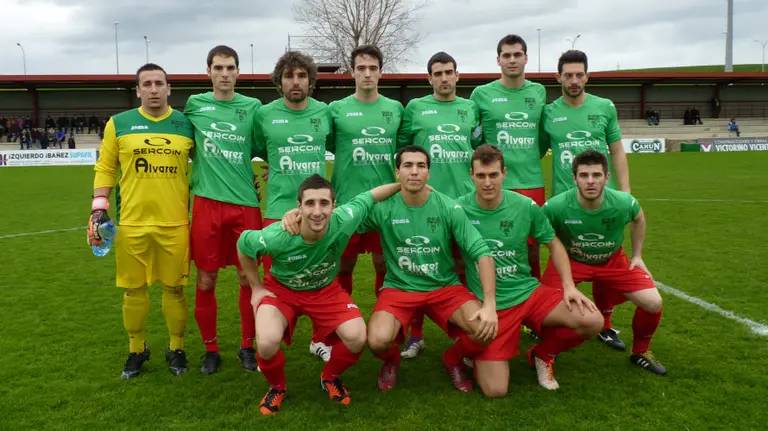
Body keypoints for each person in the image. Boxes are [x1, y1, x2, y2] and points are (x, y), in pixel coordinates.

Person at [237, 175, 402, 414]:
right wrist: (256, 288)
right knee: (266, 342)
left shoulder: (344, 218)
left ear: (334, 206)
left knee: (357, 337)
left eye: (324, 203)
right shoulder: (279, 235)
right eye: (310, 203)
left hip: (325, 289)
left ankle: (330, 377)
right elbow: (244, 244)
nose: (317, 211)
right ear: (299, 207)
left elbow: (372, 195)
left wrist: (405, 183)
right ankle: (277, 388)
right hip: (283, 290)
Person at [458, 144, 602, 394]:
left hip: (527, 293)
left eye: (493, 175)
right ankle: (474, 350)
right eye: (481, 176)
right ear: (471, 175)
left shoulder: (525, 206)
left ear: (504, 173)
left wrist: (568, 286)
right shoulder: (458, 209)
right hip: (491, 305)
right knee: (495, 390)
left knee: (591, 320)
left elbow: (554, 244)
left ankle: (542, 354)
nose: (488, 182)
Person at [89, 63, 195, 379]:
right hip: (132, 224)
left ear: (168, 88)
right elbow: (106, 167)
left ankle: (176, 348)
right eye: (146, 84)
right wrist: (98, 208)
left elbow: (208, 165)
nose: (153, 89)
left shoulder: (185, 124)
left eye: (158, 83)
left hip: (175, 224)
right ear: (137, 90)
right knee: (133, 291)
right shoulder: (119, 124)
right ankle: (137, 349)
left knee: (175, 290)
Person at [363, 145, 498, 393]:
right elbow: (340, 218)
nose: (414, 172)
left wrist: (489, 304)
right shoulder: (384, 208)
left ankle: (452, 360)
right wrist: (299, 215)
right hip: (400, 288)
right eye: (408, 166)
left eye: (421, 166)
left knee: (485, 329)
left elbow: (482, 252)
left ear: (429, 173)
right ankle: (391, 361)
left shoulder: (448, 207)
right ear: (397, 172)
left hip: (444, 287)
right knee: (377, 341)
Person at [541, 150, 666, 375]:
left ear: (607, 178)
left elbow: (639, 219)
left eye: (597, 175)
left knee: (653, 302)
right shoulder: (556, 206)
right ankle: (547, 350)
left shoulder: (623, 202)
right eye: (584, 175)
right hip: (572, 262)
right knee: (543, 308)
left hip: (612, 261)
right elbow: (538, 231)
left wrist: (637, 255)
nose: (590, 181)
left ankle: (640, 351)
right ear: (574, 178)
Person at [184, 45, 264, 375]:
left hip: (245, 205)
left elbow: (265, 146)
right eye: (218, 68)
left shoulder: (253, 108)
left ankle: (248, 346)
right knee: (205, 280)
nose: (225, 74)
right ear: (208, 72)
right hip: (207, 204)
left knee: (249, 278)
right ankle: (211, 349)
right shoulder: (195, 105)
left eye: (231, 68)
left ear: (239, 73)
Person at [396, 51, 481, 359]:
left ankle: (466, 333)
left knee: (462, 266)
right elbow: (402, 150)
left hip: (462, 203)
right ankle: (415, 336)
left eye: (449, 72)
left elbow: (478, 147)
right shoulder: (415, 108)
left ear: (457, 75)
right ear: (429, 78)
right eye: (438, 73)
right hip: (424, 203)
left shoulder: (471, 108)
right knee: (418, 268)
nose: (445, 78)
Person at [253, 50, 333, 361]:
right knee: (277, 282)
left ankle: (319, 339)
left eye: (301, 75)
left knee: (320, 277)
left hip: (316, 211)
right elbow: (256, 148)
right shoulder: (265, 114)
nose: (295, 81)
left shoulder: (325, 113)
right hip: (277, 211)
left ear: (311, 81)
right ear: (280, 81)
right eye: (289, 76)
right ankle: (272, 342)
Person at [470, 34, 548, 281]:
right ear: (498, 60)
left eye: (517, 55)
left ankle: (531, 305)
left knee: (532, 251)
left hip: (531, 183)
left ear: (526, 58)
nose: (512, 60)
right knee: (488, 248)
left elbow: (542, 138)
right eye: (506, 55)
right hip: (493, 183)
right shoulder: (481, 94)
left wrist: (526, 158)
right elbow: (473, 138)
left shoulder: (538, 92)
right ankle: (486, 301)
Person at [330, 45, 403, 301]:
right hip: (346, 201)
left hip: (385, 203)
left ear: (381, 73)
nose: (367, 74)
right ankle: (341, 323)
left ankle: (386, 321)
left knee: (384, 265)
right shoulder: (336, 110)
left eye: (373, 68)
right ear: (352, 73)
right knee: (342, 266)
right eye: (361, 68)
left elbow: (404, 147)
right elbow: (322, 144)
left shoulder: (395, 109)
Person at [541, 50, 631, 200]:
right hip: (564, 200)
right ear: (558, 77)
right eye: (568, 75)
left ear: (587, 77)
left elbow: (617, 151)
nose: (574, 81)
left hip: (603, 197)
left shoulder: (605, 107)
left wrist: (626, 191)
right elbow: (537, 153)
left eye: (579, 75)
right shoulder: (548, 113)